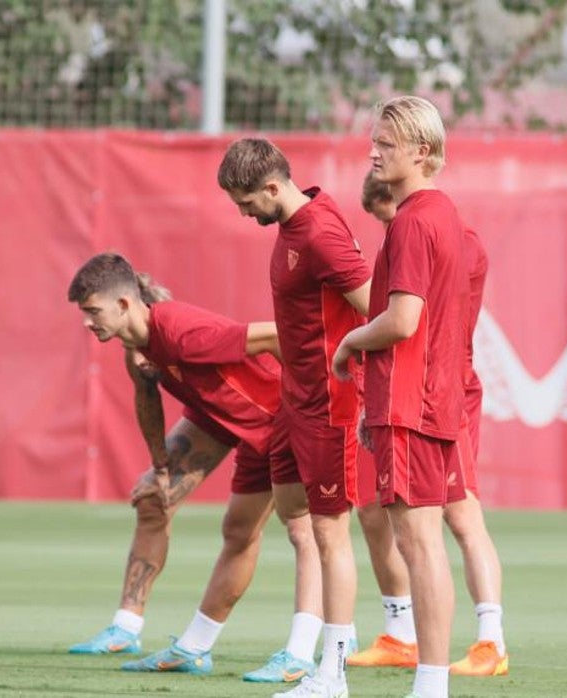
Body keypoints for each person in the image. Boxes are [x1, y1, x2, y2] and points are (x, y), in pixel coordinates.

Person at [66, 253, 323, 685]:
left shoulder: (183, 333)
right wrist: (159, 466)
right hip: (229, 423)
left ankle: (304, 650)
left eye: (92, 311)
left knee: (304, 530)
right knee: (231, 529)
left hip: (285, 418)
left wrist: (313, 406)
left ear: (125, 305)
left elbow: (281, 336)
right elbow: (147, 398)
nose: (87, 323)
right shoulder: (139, 350)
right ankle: (186, 645)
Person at [217, 137, 372, 698]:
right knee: (294, 517)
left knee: (331, 533)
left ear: (274, 187)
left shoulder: (322, 235)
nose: (243, 213)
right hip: (294, 399)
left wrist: (353, 368)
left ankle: (331, 672)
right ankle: (324, 635)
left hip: (329, 404)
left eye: (246, 202)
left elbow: (378, 307)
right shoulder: (295, 221)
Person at [331, 95, 468, 698]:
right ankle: (431, 679)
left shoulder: (413, 219)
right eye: (374, 141)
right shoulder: (444, 215)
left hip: (410, 403)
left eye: (385, 144)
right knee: (422, 540)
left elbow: (403, 319)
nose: (373, 152)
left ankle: (431, 683)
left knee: (418, 543)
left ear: (422, 151)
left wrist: (349, 344)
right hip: (428, 397)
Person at [350, 174, 509, 677]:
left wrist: (354, 344)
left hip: (437, 388)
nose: (385, 225)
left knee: (457, 518)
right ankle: (410, 636)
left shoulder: (433, 233)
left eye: (383, 214)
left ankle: (489, 641)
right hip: (435, 384)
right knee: (400, 517)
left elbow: (410, 320)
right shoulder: (443, 230)